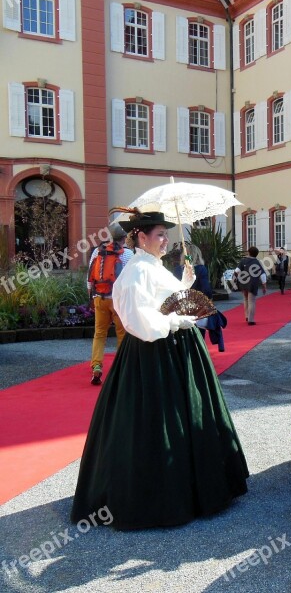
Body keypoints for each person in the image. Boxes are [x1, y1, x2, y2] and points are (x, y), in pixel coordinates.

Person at [71, 209, 248, 530]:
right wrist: (181, 320)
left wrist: (185, 283)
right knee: (157, 421)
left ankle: (196, 484)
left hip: (177, 350)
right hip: (155, 356)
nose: (166, 240)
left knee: (186, 416)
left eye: (166, 234)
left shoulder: (154, 266)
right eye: (159, 235)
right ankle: (161, 494)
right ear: (140, 236)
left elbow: (167, 301)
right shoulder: (135, 271)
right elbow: (141, 323)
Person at [87, 224, 134, 385]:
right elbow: (131, 279)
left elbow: (89, 277)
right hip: (117, 300)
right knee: (122, 334)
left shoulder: (97, 251)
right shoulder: (127, 253)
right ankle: (121, 369)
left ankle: (97, 367)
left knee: (99, 334)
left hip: (99, 297)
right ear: (124, 238)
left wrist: (92, 297)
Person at [234, 246, 267, 325]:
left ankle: (246, 316)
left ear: (249, 252)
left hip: (243, 283)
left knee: (245, 299)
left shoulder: (243, 261)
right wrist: (264, 285)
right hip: (252, 283)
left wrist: (239, 277)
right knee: (251, 301)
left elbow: (236, 271)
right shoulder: (257, 262)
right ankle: (251, 319)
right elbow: (262, 274)